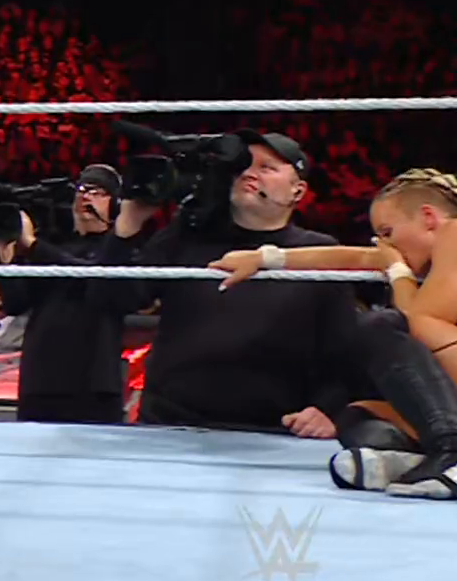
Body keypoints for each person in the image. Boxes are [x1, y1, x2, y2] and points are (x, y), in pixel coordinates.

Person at [211, 168, 457, 499]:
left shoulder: (453, 234)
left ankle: (450, 452)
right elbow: (355, 256)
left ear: (428, 218)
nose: (386, 245)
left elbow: (417, 319)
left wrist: (397, 271)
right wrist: (265, 257)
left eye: (388, 233)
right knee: (359, 418)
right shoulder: (429, 256)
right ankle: (416, 461)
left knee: (383, 326)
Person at [96, 130, 356, 434]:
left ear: (297, 191)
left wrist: (328, 408)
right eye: (243, 165)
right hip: (170, 424)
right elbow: (112, 298)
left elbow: (344, 348)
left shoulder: (317, 253)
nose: (249, 173)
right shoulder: (186, 236)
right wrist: (128, 225)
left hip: (272, 431)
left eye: (267, 167)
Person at [0, 164, 145, 424]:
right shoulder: (55, 246)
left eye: (97, 192)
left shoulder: (119, 250)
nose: (86, 196)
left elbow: (90, 278)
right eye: (82, 190)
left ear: (115, 204)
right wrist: (7, 261)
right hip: (41, 380)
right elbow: (15, 303)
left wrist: (34, 246)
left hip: (92, 383)